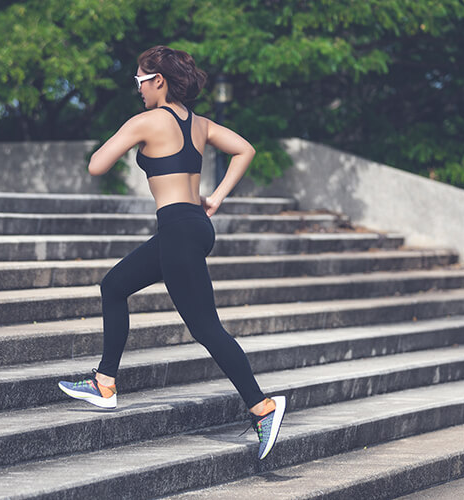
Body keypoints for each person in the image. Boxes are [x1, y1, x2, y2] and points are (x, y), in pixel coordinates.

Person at [57, 45, 286, 460]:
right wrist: (214, 197)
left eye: (140, 80)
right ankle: (104, 382)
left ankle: (262, 407)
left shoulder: (145, 122)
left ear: (158, 80)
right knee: (114, 286)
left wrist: (128, 135)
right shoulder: (200, 124)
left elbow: (96, 165)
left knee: (205, 328)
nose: (138, 89)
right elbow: (245, 149)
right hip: (193, 226)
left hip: (178, 230)